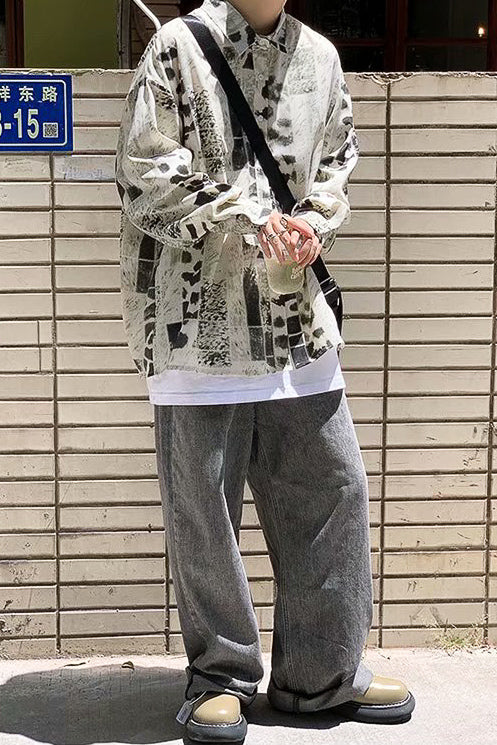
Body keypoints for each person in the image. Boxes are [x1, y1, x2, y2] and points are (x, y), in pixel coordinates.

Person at [115, 0, 415, 740]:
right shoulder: (177, 47)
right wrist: (249, 214)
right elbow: (144, 171)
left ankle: (320, 675)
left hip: (294, 322)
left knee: (335, 491)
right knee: (205, 513)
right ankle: (220, 676)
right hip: (196, 324)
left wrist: (311, 222)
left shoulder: (319, 56)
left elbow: (337, 162)